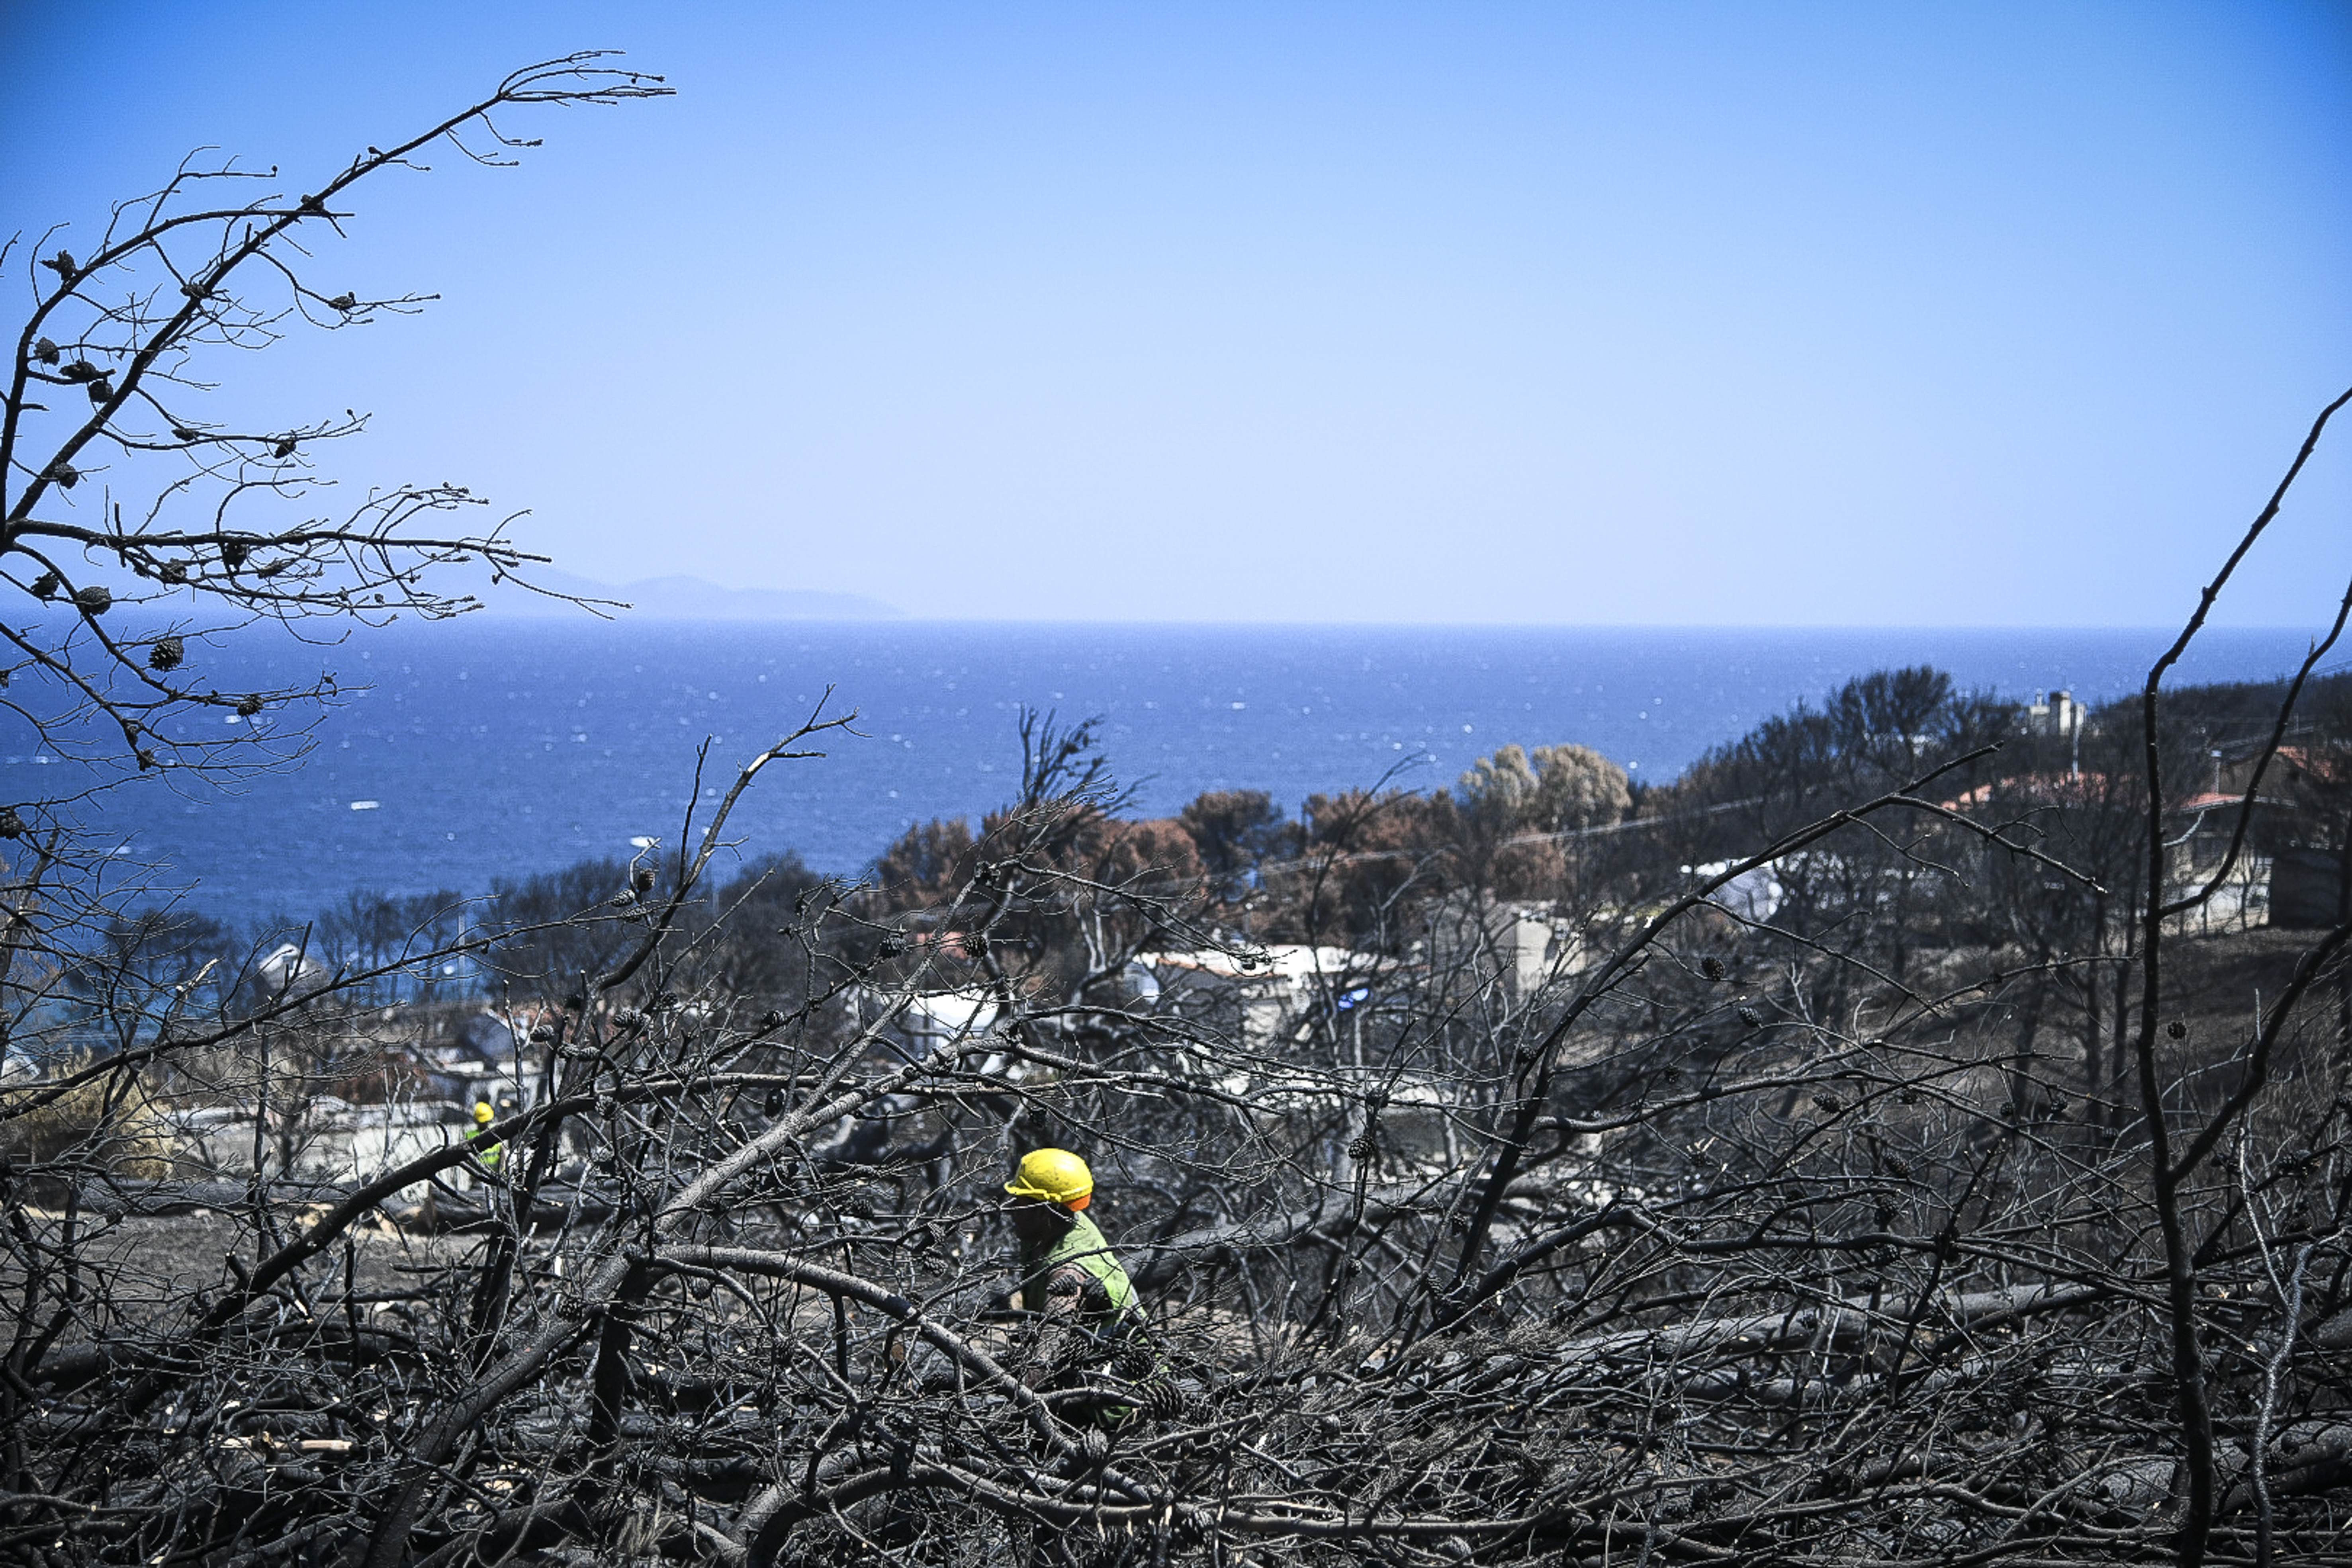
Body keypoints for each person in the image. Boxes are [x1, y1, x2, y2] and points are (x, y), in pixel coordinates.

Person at [1003, 1148, 1154, 1430]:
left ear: (1047, 1210)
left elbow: (1045, 1357)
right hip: (1085, 1380)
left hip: (1118, 1400)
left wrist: (1005, 1407)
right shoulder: (1053, 1227)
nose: (1011, 1207)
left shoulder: (1069, 1270)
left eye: (1021, 1201)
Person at [470, 1100, 503, 1175]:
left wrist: (500, 1173)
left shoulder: (496, 1132)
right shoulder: (470, 1136)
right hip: (478, 1177)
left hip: (496, 1176)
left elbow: (502, 1153)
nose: (483, 1124)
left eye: (485, 1122)